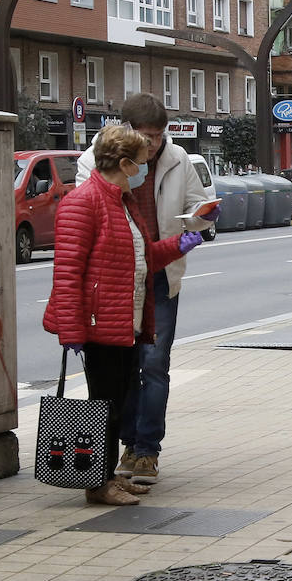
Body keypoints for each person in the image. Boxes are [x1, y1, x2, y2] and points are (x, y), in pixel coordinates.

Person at [46, 125, 202, 505]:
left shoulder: (122, 200)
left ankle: (109, 476)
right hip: (100, 325)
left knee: (117, 404)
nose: (146, 169)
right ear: (124, 163)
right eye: (142, 162)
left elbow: (142, 258)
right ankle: (98, 484)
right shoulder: (83, 203)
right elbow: (67, 272)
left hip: (125, 321)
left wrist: (180, 244)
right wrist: (72, 329)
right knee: (105, 406)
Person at [76, 94, 217, 487]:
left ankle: (147, 449)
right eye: (146, 136)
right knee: (120, 371)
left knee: (153, 365)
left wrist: (198, 225)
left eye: (159, 136)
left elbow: (197, 206)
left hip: (157, 272)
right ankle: (125, 447)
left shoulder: (177, 160)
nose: (153, 144)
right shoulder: (93, 164)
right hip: (116, 281)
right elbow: (78, 246)